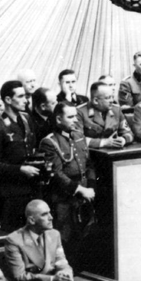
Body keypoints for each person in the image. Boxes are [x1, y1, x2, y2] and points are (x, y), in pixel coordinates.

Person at [39, 104, 95, 253]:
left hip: (83, 199)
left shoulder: (79, 136)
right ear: (58, 119)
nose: (75, 120)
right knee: (64, 241)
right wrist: (79, 189)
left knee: (84, 239)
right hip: (64, 201)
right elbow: (56, 173)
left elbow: (89, 164)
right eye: (70, 117)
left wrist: (90, 187)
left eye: (76, 116)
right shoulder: (50, 142)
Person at [0, 81, 43, 226]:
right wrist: (19, 169)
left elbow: (32, 147)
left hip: (31, 188)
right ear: (7, 100)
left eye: (26, 96)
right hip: (11, 193)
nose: (26, 100)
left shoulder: (26, 119)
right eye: (21, 96)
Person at [4, 200, 74, 281]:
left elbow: (61, 262)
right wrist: (52, 279)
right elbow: (20, 276)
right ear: (32, 220)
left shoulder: (54, 234)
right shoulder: (14, 240)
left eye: (50, 213)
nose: (51, 217)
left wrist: (65, 273)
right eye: (44, 214)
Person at [76, 81, 133, 148]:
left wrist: (123, 140)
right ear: (95, 101)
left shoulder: (116, 110)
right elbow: (77, 139)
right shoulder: (79, 112)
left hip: (112, 152)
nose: (112, 100)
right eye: (107, 98)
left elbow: (129, 133)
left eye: (112, 97)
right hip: (91, 153)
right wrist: (104, 143)